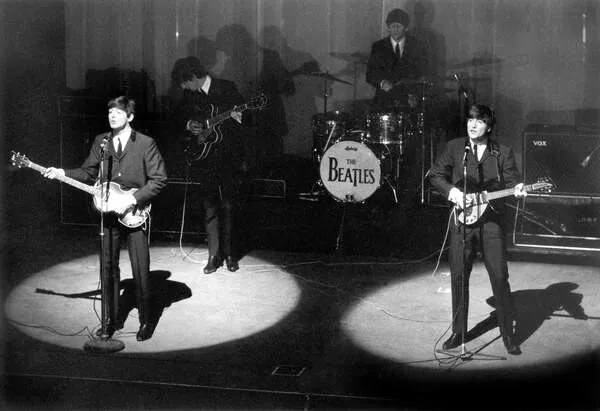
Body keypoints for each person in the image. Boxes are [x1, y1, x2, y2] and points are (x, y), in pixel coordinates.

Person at [44, 96, 167, 341]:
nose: (112, 116)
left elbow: (159, 179)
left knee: (140, 268)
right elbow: (88, 172)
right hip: (107, 216)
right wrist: (61, 172)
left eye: (118, 112)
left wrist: (132, 200)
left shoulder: (145, 143)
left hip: (135, 213)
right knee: (108, 268)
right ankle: (110, 319)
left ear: (130, 117)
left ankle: (145, 321)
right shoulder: (102, 142)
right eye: (110, 111)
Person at [428, 104, 526, 355]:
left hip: (491, 222)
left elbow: (514, 183)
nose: (472, 124)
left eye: (479, 121)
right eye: (470, 119)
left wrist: (519, 189)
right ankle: (458, 333)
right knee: (459, 277)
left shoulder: (502, 152)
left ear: (489, 126)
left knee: (499, 276)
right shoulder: (454, 147)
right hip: (462, 221)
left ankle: (508, 335)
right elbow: (436, 175)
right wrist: (453, 193)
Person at [171, 56, 245, 274]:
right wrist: (189, 124)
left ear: (193, 77)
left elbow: (245, 121)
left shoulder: (227, 88)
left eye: (185, 82)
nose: (183, 87)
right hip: (203, 157)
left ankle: (230, 254)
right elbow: (177, 116)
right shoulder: (189, 94)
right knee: (209, 206)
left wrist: (235, 117)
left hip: (228, 156)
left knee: (229, 205)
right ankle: (214, 255)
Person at [366, 8, 427, 110]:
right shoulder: (378, 46)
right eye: (392, 26)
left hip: (410, 100)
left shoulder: (417, 46)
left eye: (399, 26)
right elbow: (370, 74)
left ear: (406, 28)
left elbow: (422, 73)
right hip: (384, 100)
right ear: (388, 28)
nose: (395, 29)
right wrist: (382, 82)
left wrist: (415, 94)